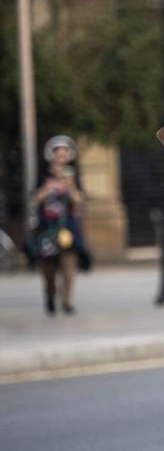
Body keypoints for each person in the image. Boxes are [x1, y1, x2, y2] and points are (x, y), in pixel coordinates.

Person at [32, 135, 89, 316]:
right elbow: (35, 199)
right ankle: (50, 295)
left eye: (65, 152)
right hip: (47, 227)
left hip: (68, 226)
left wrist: (69, 186)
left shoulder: (72, 175)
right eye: (58, 152)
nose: (61, 156)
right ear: (51, 154)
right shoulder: (43, 176)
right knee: (48, 267)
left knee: (69, 264)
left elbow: (79, 200)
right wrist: (49, 188)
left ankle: (66, 301)